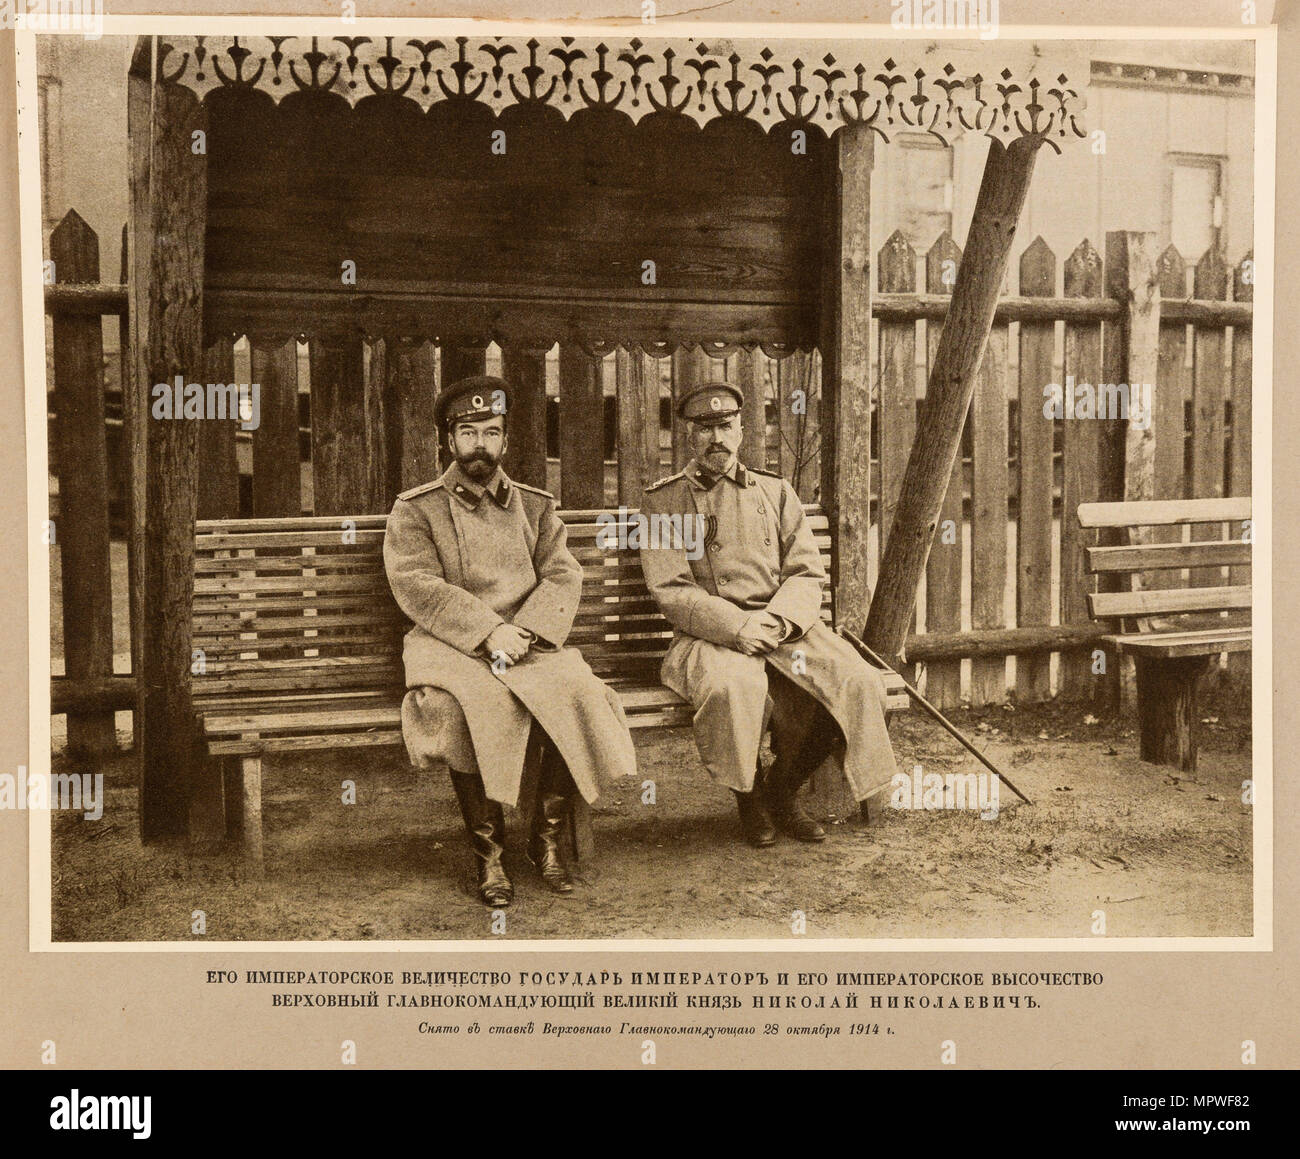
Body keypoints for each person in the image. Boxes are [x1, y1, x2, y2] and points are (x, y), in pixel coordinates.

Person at [383, 375, 637, 906]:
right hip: (448, 642)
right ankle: (489, 855)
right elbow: (417, 584)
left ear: (507, 440)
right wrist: (488, 630)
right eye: (469, 432)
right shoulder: (416, 508)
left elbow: (563, 575)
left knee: (579, 693)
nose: (481, 445)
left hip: (528, 639)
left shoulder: (537, 506)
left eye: (492, 433)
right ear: (448, 441)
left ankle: (542, 842)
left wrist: (525, 630)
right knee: (472, 705)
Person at [639, 381, 900, 847]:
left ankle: (782, 790)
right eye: (705, 429)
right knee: (734, 688)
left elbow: (805, 571)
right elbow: (672, 590)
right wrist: (738, 626)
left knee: (856, 682)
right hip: (710, 635)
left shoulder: (776, 491)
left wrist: (778, 622)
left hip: (785, 629)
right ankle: (750, 796)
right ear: (688, 437)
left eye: (725, 426)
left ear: (741, 429)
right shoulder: (665, 502)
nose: (716, 438)